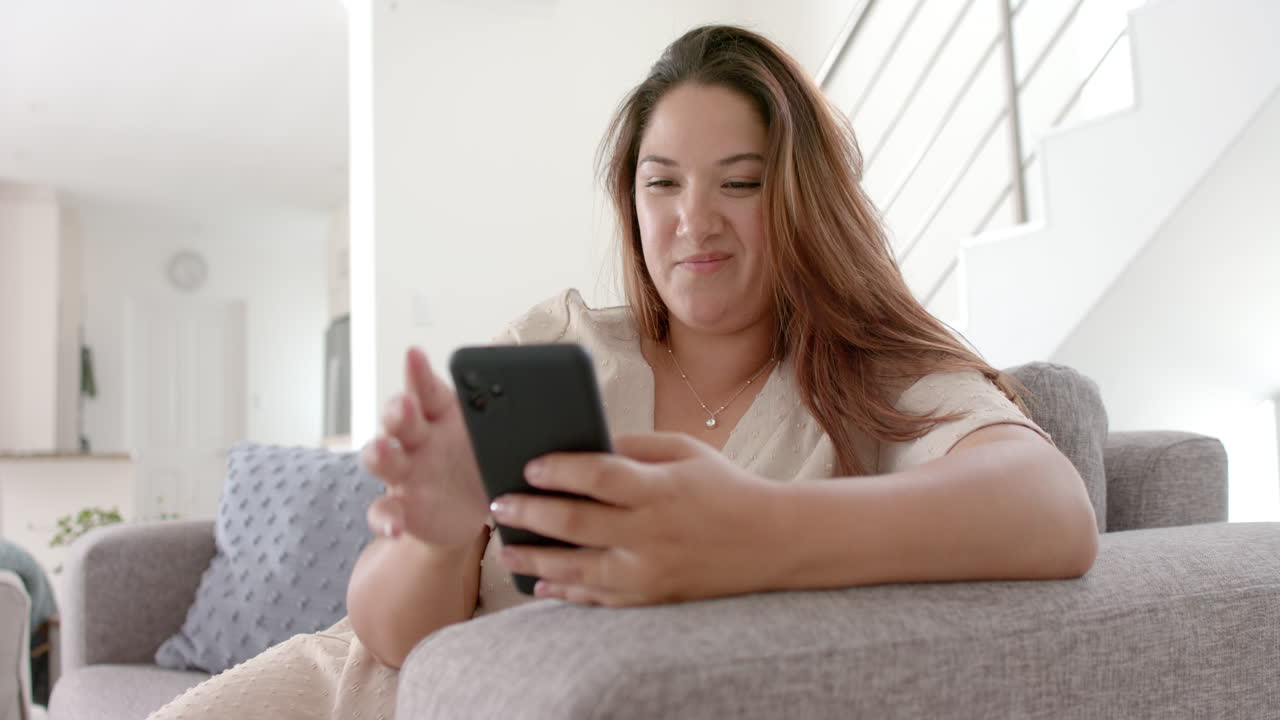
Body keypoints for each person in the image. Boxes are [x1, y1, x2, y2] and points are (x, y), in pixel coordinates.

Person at [148, 24, 1097, 719]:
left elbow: (1049, 509)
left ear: (804, 198)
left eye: (741, 181)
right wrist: (439, 538)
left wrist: (756, 532)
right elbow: (388, 642)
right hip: (386, 690)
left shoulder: (873, 375)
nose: (694, 220)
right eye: (661, 182)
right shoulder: (557, 349)